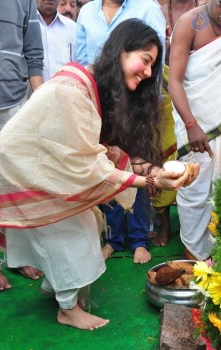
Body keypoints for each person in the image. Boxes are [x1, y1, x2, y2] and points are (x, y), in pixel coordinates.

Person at [0, 20, 198, 329]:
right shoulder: (75, 88)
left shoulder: (100, 89)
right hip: (24, 167)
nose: (148, 72)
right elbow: (91, 164)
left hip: (44, 167)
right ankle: (67, 309)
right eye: (145, 59)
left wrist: (154, 170)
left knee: (88, 222)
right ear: (120, 52)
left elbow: (109, 152)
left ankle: (56, 288)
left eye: (153, 65)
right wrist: (152, 180)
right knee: (71, 235)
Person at [75, 0, 167, 263]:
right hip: (101, 103)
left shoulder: (148, 7)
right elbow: (83, 60)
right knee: (109, 173)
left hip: (137, 105)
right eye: (143, 61)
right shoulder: (87, 11)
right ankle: (114, 239)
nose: (148, 69)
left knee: (139, 166)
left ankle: (139, 239)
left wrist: (154, 176)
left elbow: (153, 63)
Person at [0, 0, 44, 291]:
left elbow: (33, 51)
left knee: (16, 187)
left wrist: (41, 102)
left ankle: (18, 256)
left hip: (15, 101)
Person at [168, 0, 221, 260]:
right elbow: (174, 81)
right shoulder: (191, 22)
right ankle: (193, 266)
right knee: (195, 194)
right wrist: (191, 125)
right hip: (197, 129)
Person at [151, 0, 202, 247]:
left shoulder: (205, 8)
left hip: (203, 90)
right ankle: (165, 225)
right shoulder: (156, 9)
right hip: (166, 87)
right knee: (166, 154)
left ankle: (199, 228)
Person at [36, 0, 76, 82]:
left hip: (65, 92)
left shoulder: (72, 28)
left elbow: (77, 67)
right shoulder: (25, 24)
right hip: (31, 93)